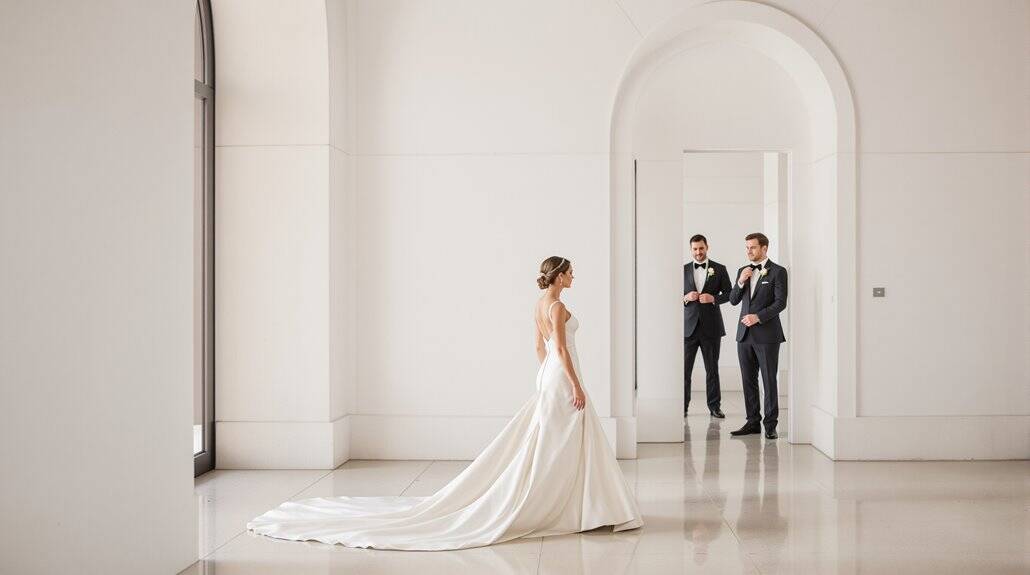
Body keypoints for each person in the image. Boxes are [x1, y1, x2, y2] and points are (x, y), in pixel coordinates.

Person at [246, 256, 643, 550]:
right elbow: (559, 345)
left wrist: (545, 376)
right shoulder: (556, 306)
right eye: (570, 272)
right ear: (558, 275)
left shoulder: (538, 305)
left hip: (549, 377)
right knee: (561, 440)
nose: (574, 276)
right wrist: (572, 383)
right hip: (561, 377)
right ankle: (575, 505)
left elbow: (537, 347)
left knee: (557, 441)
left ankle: (580, 504)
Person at [728, 233, 787, 439]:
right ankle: (752, 421)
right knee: (748, 380)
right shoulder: (742, 271)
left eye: (752, 247)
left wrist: (758, 317)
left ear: (764, 248)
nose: (749, 251)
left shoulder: (778, 272)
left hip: (767, 336)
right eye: (747, 248)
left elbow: (780, 303)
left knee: (769, 380)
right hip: (744, 336)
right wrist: (741, 282)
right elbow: (733, 300)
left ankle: (770, 424)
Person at [682, 234, 732, 418]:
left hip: (711, 328)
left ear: (707, 247)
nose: (698, 252)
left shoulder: (719, 269)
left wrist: (714, 298)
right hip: (688, 328)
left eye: (701, 248)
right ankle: (683, 407)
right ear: (691, 249)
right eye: (695, 249)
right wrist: (686, 298)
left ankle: (714, 407)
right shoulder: (683, 270)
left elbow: (730, 294)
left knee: (712, 369)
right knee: (684, 371)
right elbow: (673, 295)